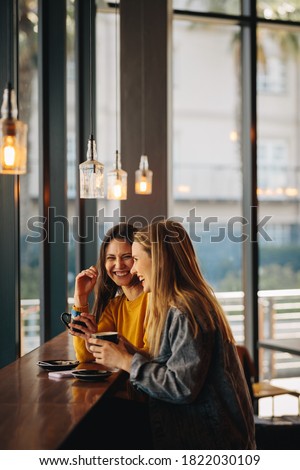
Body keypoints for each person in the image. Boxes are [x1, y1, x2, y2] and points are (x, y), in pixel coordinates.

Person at [88, 220, 256, 449]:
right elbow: (174, 363)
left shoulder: (184, 310)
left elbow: (182, 387)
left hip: (207, 441)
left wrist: (126, 361)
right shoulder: (177, 305)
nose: (134, 270)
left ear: (158, 260)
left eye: (135, 259)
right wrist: (129, 350)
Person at [69, 223, 149, 363]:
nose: (118, 265)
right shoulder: (114, 307)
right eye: (111, 258)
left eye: (126, 256)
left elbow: (151, 358)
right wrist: (80, 298)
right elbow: (86, 356)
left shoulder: (154, 300)